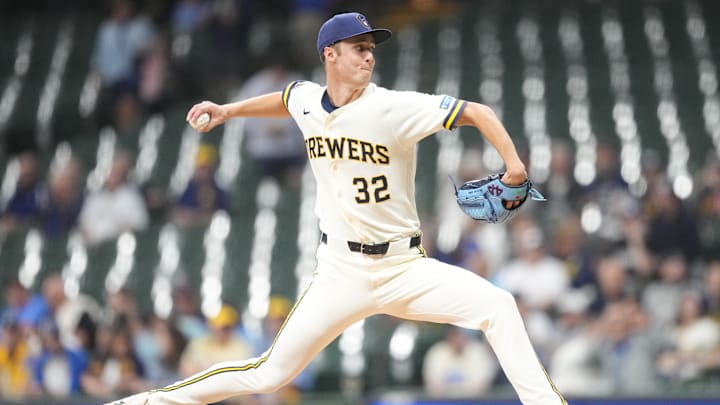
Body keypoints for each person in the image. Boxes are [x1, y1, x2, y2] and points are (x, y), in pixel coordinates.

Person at [110, 12, 567, 405]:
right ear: (331, 54)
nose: (370, 56)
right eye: (360, 48)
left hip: (403, 266)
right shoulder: (308, 99)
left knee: (498, 305)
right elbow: (286, 99)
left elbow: (477, 112)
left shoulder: (393, 108)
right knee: (270, 373)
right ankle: (154, 401)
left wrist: (514, 167)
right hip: (340, 270)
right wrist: (228, 111)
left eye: (372, 49)